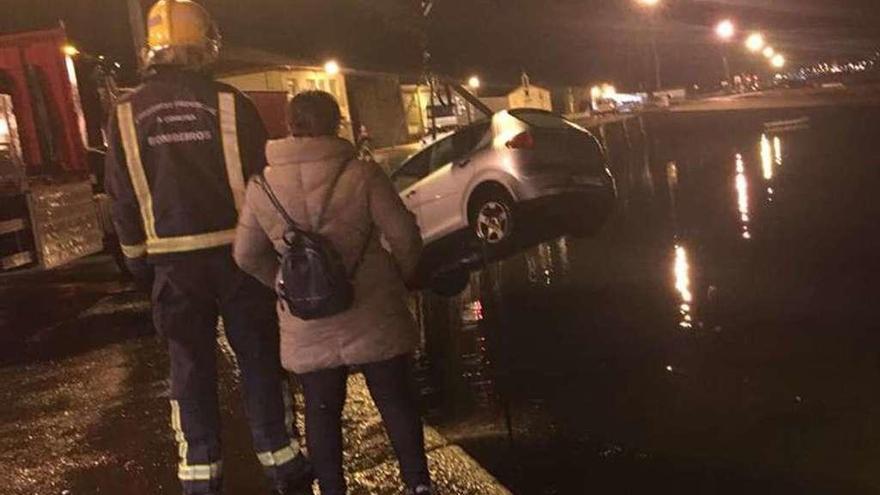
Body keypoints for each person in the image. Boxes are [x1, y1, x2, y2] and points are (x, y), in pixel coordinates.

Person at [104, 1, 312, 494]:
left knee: (189, 367)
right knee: (259, 357)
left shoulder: (126, 114)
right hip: (239, 258)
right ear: (205, 43)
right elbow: (261, 181)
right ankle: (280, 459)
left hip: (172, 267)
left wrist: (137, 261)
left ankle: (200, 473)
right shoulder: (229, 102)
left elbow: (122, 197)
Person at [234, 91, 433, 495]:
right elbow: (404, 236)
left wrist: (284, 284)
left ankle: (332, 489)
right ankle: (417, 485)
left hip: (308, 321)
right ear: (336, 123)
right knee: (395, 400)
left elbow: (245, 255)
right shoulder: (362, 174)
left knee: (322, 411)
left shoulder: (263, 186)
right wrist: (399, 275)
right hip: (373, 308)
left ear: (289, 126)